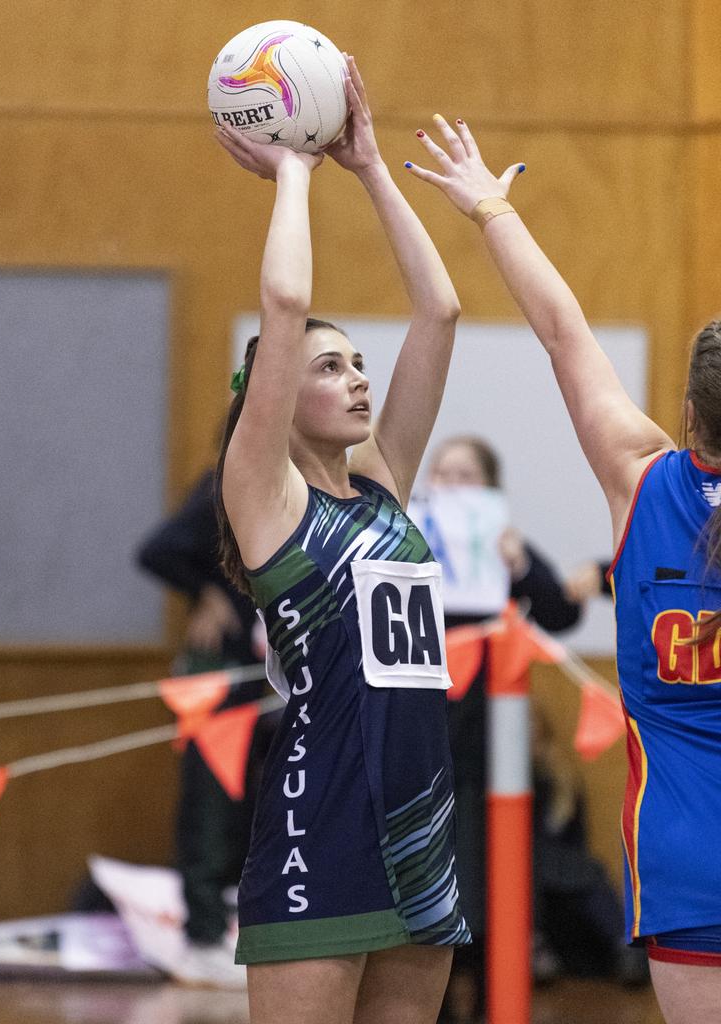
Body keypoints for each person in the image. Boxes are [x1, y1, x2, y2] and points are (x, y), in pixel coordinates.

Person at [406, 116, 721, 1024]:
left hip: (685, 855)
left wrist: (493, 210)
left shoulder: (642, 480)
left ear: (690, 411)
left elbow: (561, 332)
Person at [213, 58, 468, 1024]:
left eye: (361, 363)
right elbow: (283, 306)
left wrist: (368, 165)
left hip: (422, 827)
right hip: (319, 824)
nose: (360, 379)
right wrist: (293, 173)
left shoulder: (383, 487)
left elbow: (438, 311)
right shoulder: (265, 496)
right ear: (277, 399)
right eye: (332, 367)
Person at [413, 435, 583, 1022]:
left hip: (490, 740)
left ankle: (493, 997)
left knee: (489, 868)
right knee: (424, 865)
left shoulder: (503, 549)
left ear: (488, 489)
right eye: (441, 473)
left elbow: (562, 612)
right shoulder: (405, 543)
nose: (450, 485)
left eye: (464, 475)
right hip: (419, 731)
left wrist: (522, 564)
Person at [137, 468, 270, 989]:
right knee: (209, 802)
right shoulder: (229, 480)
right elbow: (159, 549)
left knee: (247, 805)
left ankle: (232, 927)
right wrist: (210, 593)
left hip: (262, 674)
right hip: (217, 671)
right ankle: (201, 936)